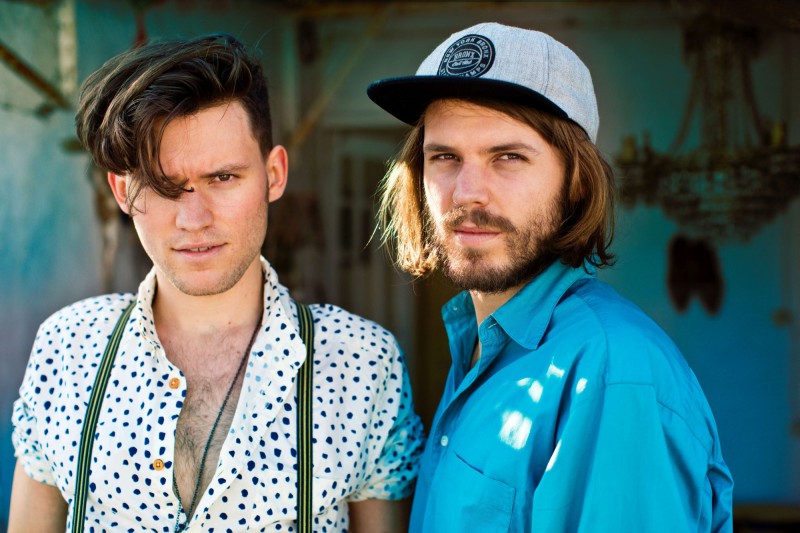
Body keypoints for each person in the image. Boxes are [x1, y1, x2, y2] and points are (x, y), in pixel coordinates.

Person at [10, 33, 423, 532]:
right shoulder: (68, 346)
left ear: (274, 174)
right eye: (162, 186)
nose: (194, 219)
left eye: (223, 178)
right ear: (121, 191)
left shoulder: (362, 363)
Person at [368, 22, 733, 532]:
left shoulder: (612, 370)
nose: (467, 192)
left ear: (577, 182)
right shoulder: (481, 341)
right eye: (445, 157)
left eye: (508, 157)